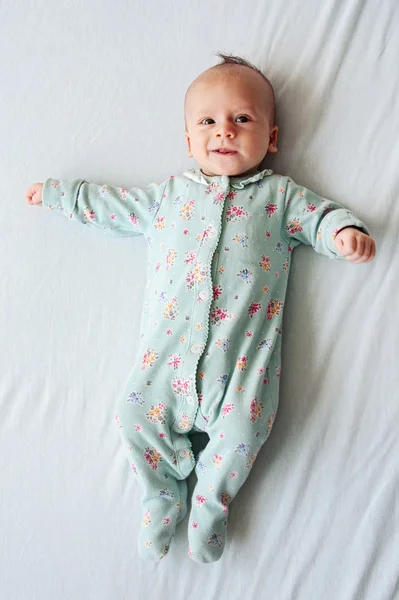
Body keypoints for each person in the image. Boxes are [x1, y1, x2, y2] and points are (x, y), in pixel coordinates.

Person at [25, 53, 376, 563]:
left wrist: (342, 233)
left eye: (242, 119)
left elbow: (318, 217)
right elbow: (113, 205)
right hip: (164, 363)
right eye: (207, 121)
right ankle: (162, 494)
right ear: (189, 140)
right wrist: (61, 196)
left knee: (243, 435)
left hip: (241, 370)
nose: (224, 132)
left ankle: (211, 502)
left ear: (272, 138)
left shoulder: (278, 198)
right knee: (131, 415)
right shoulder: (169, 196)